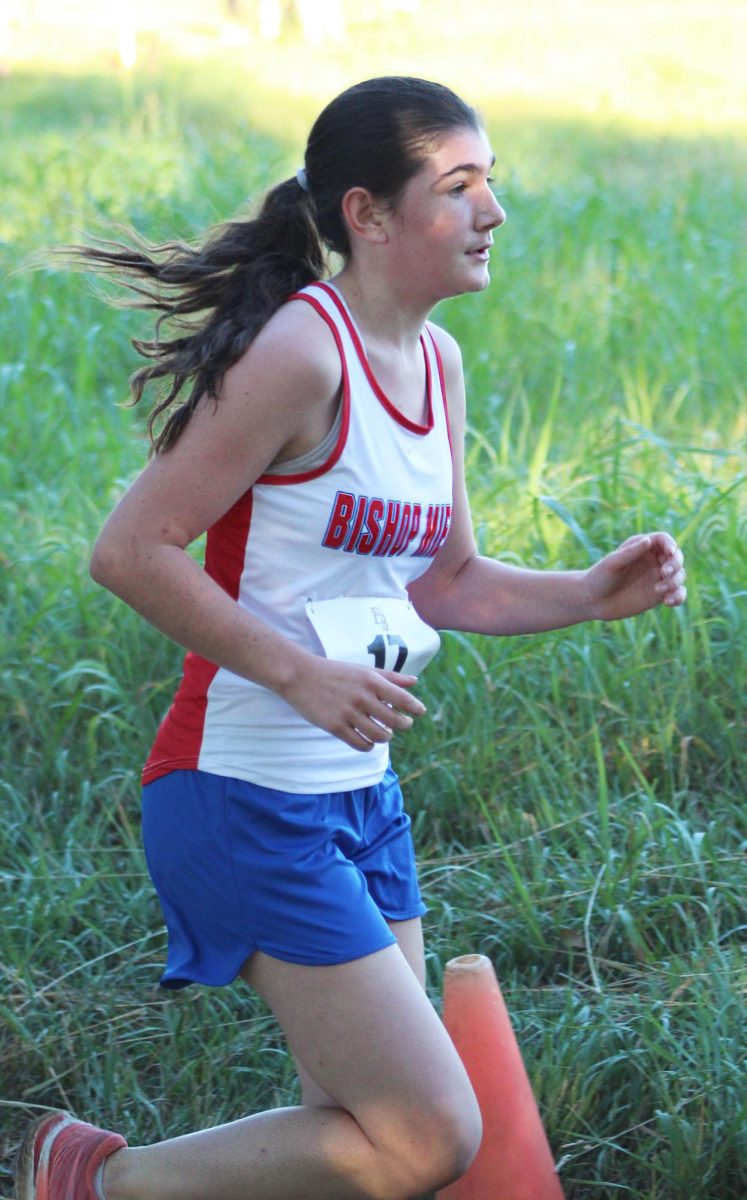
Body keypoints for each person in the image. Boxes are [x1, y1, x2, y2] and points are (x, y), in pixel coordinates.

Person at [15, 76, 686, 1200]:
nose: (494, 212)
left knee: (369, 1139)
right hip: (237, 789)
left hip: (361, 794)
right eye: (459, 185)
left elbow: (450, 582)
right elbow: (131, 550)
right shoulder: (302, 353)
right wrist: (297, 674)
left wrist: (586, 591)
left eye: (493, 183)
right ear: (368, 214)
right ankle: (100, 1183)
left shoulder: (439, 366)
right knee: (431, 1136)